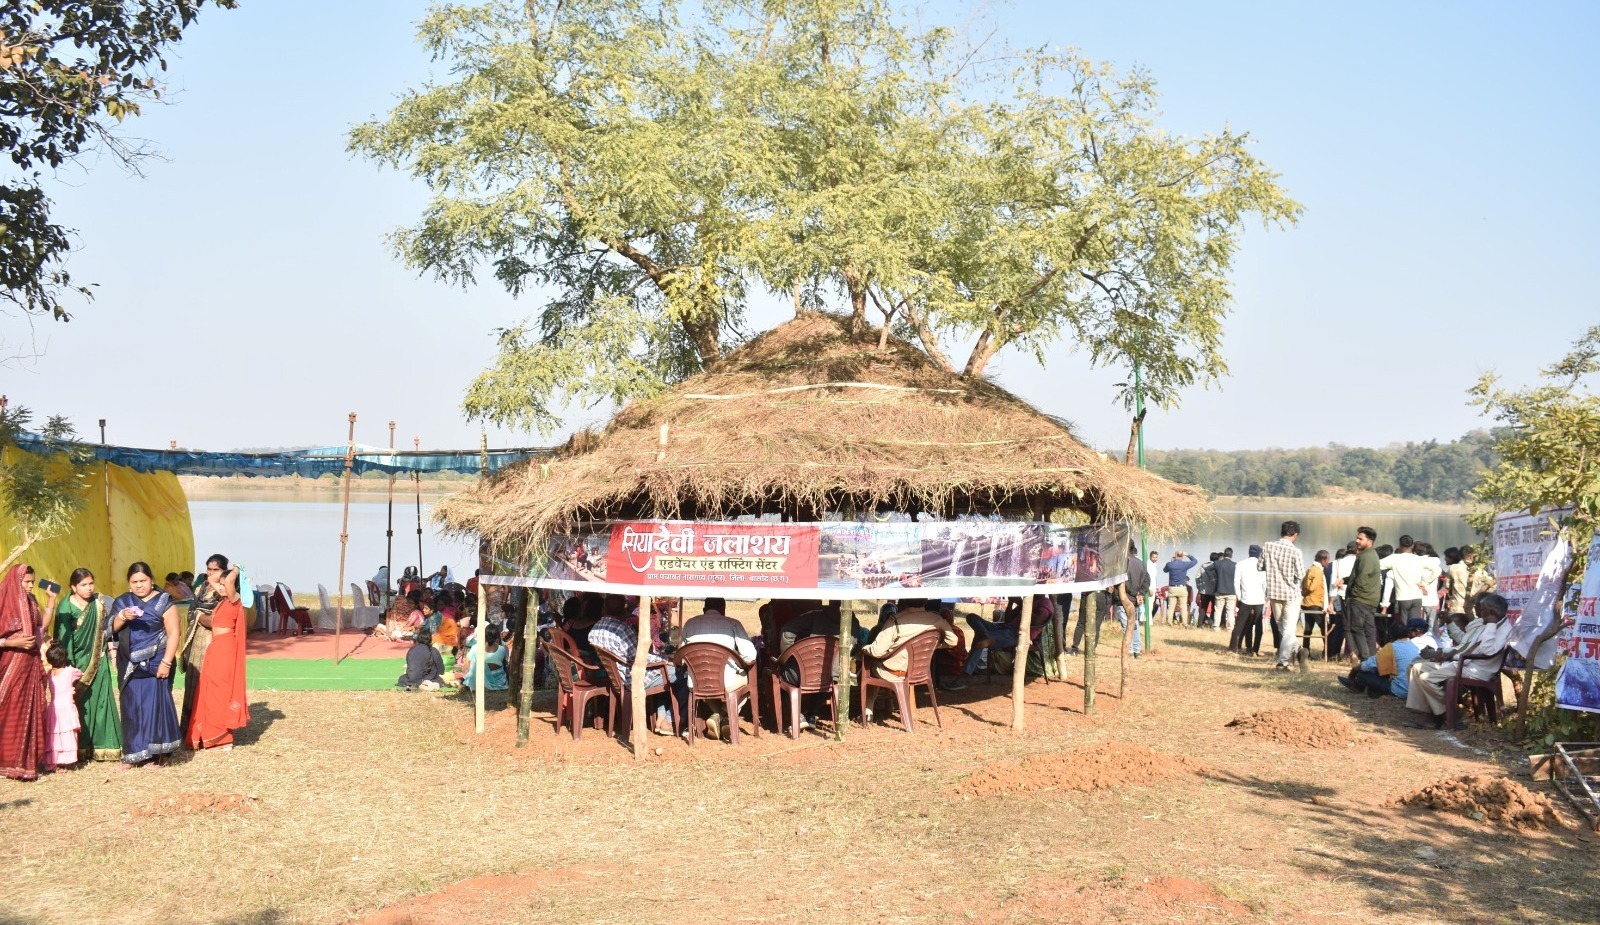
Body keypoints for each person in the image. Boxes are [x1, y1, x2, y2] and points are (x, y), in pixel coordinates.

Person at [112, 562, 183, 767]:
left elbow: (174, 633)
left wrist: (166, 663)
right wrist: (122, 616)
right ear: (129, 584)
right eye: (134, 582)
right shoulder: (123, 602)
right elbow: (110, 629)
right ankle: (134, 753)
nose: (139, 585)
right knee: (131, 707)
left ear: (152, 581)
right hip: (129, 663)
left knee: (155, 707)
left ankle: (157, 754)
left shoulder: (164, 602)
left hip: (157, 662)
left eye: (143, 581)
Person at [1405, 593, 1512, 728]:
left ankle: (1450, 713)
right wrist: (1445, 654)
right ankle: (1429, 714)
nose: (1479, 611)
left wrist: (1490, 624)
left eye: (1482, 608)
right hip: (1465, 663)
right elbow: (1467, 646)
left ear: (1490, 611)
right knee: (1416, 668)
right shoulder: (1486, 623)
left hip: (1476, 669)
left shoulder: (1500, 628)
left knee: (1426, 678)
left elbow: (1487, 651)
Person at [52, 568, 121, 762]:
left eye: (91, 583)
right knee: (81, 705)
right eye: (83, 585)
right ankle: (80, 747)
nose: (89, 588)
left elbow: (106, 630)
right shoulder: (65, 607)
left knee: (102, 701)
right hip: (76, 662)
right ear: (73, 587)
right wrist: (68, 665)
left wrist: (111, 652)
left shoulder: (98, 603)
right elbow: (64, 639)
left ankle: (105, 746)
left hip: (99, 658)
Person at [187, 563, 250, 751]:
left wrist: (237, 570)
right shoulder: (222, 600)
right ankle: (209, 735)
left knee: (220, 691)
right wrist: (221, 577)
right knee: (208, 690)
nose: (221, 587)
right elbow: (211, 579)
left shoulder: (234, 600)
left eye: (225, 585)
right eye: (220, 585)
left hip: (226, 648)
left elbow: (228, 580)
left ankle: (223, 738)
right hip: (215, 648)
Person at [861, 599, 958, 722]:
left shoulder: (896, 620)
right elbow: (953, 641)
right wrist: (930, 645)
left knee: (869, 664)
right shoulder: (936, 619)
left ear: (903, 602)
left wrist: (863, 648)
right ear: (926, 601)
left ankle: (867, 712)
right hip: (919, 671)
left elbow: (877, 651)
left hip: (895, 672)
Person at [681, 598, 758, 739]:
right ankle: (724, 715)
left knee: (706, 681)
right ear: (723, 610)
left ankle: (718, 715)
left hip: (697, 681)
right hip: (726, 681)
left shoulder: (690, 624)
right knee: (748, 684)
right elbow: (750, 656)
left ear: (704, 609)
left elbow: (680, 658)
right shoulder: (732, 623)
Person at [0, 565, 49, 780]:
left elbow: (40, 628)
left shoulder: (31, 602)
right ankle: (7, 760)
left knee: (28, 710)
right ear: (15, 581)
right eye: (26, 582)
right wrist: (14, 642)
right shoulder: (3, 602)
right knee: (8, 710)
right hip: (10, 665)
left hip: (30, 663)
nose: (30, 586)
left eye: (32, 582)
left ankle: (26, 762)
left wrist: (52, 601)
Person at [180, 555, 226, 736]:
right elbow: (193, 610)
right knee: (193, 678)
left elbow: (219, 620)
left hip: (214, 641)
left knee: (209, 683)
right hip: (196, 638)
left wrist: (200, 616)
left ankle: (208, 728)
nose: (211, 573)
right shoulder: (201, 587)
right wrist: (199, 615)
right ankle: (188, 728)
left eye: (216, 570)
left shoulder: (225, 590)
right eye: (209, 569)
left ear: (223, 571)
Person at [1339, 618, 1428, 699]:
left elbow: (1367, 665)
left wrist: (1354, 670)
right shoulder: (1414, 647)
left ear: (1391, 636)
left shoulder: (1392, 647)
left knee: (1363, 674)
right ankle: (1373, 690)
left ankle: (1357, 687)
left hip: (1399, 691)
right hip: (1412, 691)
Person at [1261, 521, 1308, 672]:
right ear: (1295, 535)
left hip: (1274, 593)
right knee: (1287, 629)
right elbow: (1301, 574)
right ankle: (1286, 660)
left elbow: (1259, 566)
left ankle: (1295, 654)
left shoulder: (1268, 546)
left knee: (1282, 627)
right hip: (1291, 594)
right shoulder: (1296, 551)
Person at [1338, 527, 1382, 662]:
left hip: (1361, 599)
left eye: (1360, 539)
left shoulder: (1367, 557)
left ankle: (1365, 658)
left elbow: (1361, 580)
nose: (1357, 541)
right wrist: (1345, 580)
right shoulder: (1367, 554)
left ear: (1369, 541)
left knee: (1357, 628)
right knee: (1368, 630)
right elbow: (1356, 576)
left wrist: (1352, 596)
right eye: (1357, 538)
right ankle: (1372, 659)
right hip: (1368, 599)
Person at [1380, 535, 1432, 640]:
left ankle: (1404, 645)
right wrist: (1425, 583)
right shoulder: (1419, 559)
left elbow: (1377, 565)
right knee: (1415, 626)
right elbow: (1437, 569)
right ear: (1412, 546)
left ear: (1399, 545)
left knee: (1403, 626)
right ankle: (1416, 646)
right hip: (1417, 597)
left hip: (1403, 597)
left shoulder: (1394, 558)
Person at [43, 641, 81, 770]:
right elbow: (80, 673)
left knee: (54, 734)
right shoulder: (70, 672)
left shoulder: (49, 674)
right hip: (66, 707)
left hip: (53, 707)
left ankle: (54, 760)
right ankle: (68, 760)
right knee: (68, 733)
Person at [1230, 544, 1267, 656]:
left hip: (1246, 598)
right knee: (1258, 626)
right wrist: (1265, 596)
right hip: (1259, 599)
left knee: (1240, 624)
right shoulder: (1262, 565)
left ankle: (1234, 648)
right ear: (1259, 554)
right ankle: (1254, 649)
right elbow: (1264, 583)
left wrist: (1239, 596)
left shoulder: (1240, 564)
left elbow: (1236, 583)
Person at [1117, 541, 1151, 658]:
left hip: (1125, 599)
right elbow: (1147, 580)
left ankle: (1130, 650)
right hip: (1136, 600)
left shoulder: (1123, 563)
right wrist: (1141, 593)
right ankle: (1137, 649)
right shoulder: (1141, 563)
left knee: (1126, 625)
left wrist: (1135, 593)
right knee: (1134, 624)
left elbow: (1124, 581)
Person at [1300, 550, 1331, 654]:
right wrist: (1306, 591)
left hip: (1307, 603)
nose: (1328, 563)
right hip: (1314, 603)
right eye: (1327, 560)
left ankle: (1306, 651)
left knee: (1308, 629)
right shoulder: (1318, 570)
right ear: (1322, 560)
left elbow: (1304, 583)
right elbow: (1312, 586)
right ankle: (1328, 651)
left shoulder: (1310, 568)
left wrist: (1304, 592)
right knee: (1324, 627)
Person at [1162, 551, 1197, 625]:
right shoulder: (1184, 564)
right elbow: (1195, 561)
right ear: (1183, 556)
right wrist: (1188, 554)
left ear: (1175, 555)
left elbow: (1164, 570)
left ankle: (1169, 622)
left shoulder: (1170, 564)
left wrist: (1172, 561)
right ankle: (1184, 623)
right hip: (1182, 588)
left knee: (1171, 607)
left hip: (1172, 588)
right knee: (1183, 607)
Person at [1212, 548, 1237, 633]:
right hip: (1231, 591)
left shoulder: (1217, 563)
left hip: (1220, 590)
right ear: (1231, 555)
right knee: (1230, 611)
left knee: (1218, 609)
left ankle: (1216, 627)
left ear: (1224, 554)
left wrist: (1214, 577)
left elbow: (1209, 569)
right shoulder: (1235, 565)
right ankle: (1230, 628)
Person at [1194, 553, 1219, 628]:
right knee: (1214, 609)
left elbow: (1197, 577)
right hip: (1214, 591)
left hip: (1204, 591)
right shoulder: (1217, 566)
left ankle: (1199, 624)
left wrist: (1199, 587)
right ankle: (1211, 623)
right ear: (1217, 559)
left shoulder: (1203, 566)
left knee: (1203, 608)